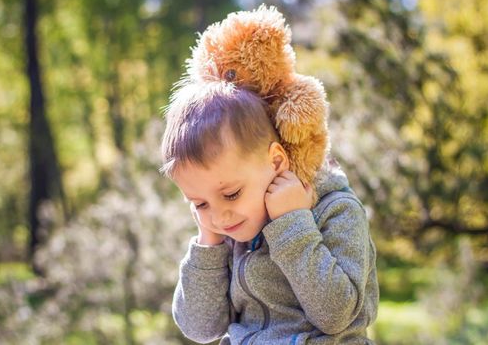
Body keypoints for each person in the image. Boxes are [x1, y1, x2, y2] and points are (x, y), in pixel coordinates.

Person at [160, 80, 379, 344]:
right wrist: (208, 245)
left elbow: (336, 315)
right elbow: (201, 329)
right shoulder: (228, 235)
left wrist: (292, 225)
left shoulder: (336, 210)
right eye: (199, 204)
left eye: (231, 194)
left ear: (276, 161)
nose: (219, 217)